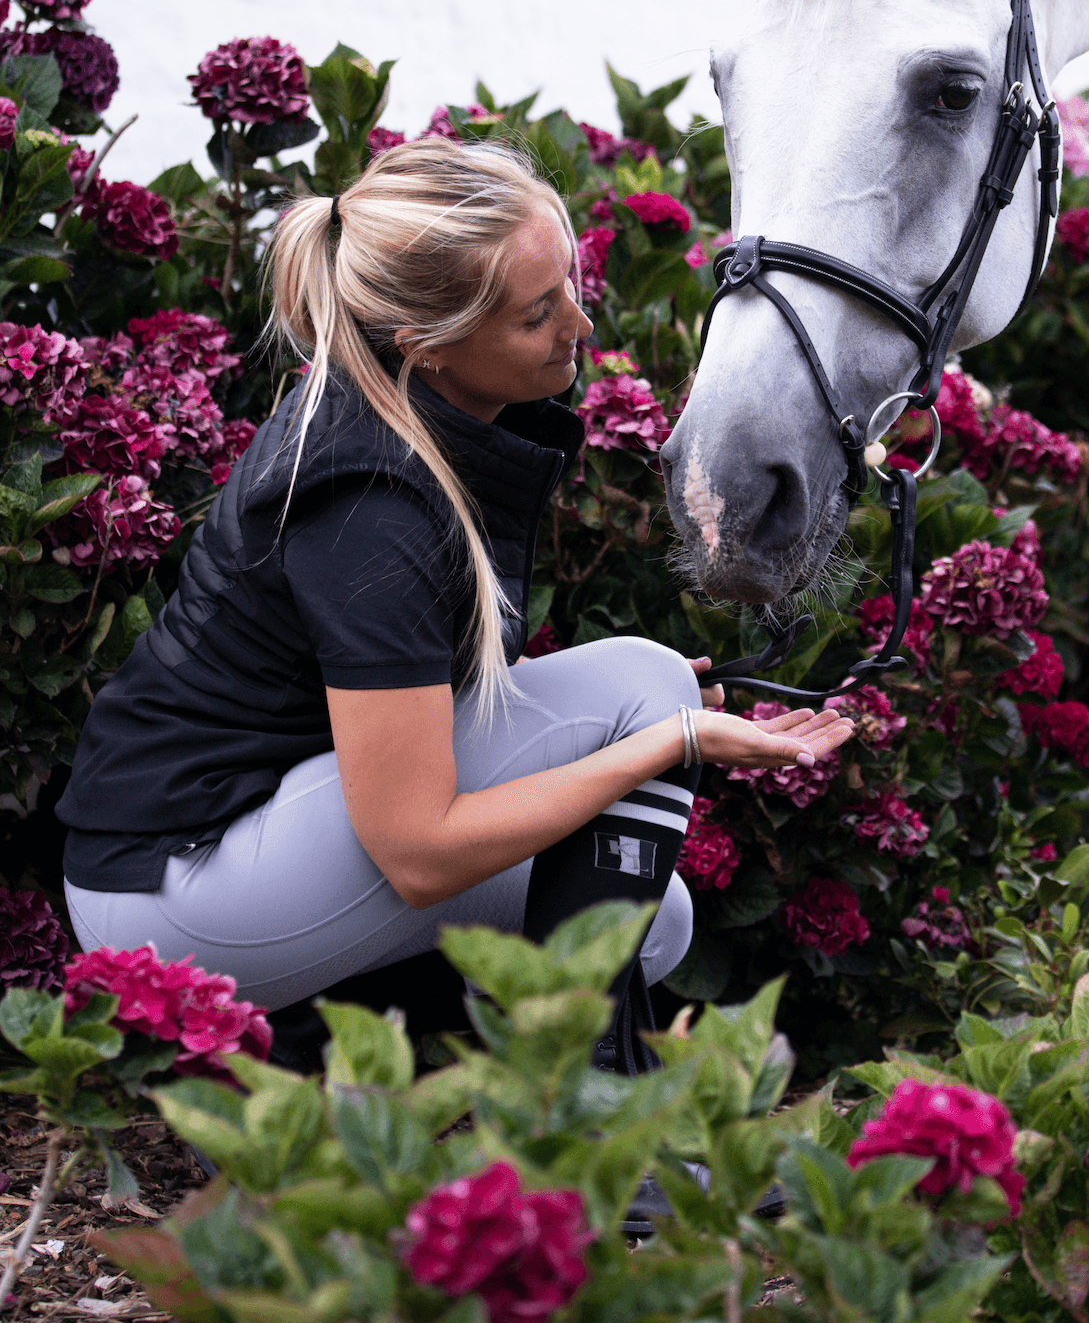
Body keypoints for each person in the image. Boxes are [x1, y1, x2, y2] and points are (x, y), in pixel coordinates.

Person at [58, 139, 854, 1061]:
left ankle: (323, 1073)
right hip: (172, 896)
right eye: (534, 314)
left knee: (652, 916)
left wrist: (632, 725)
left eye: (569, 282)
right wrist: (660, 741)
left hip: (234, 844)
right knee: (645, 687)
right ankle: (586, 1118)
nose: (579, 326)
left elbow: (414, 700)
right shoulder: (371, 503)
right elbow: (418, 849)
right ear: (426, 345)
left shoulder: (400, 410)